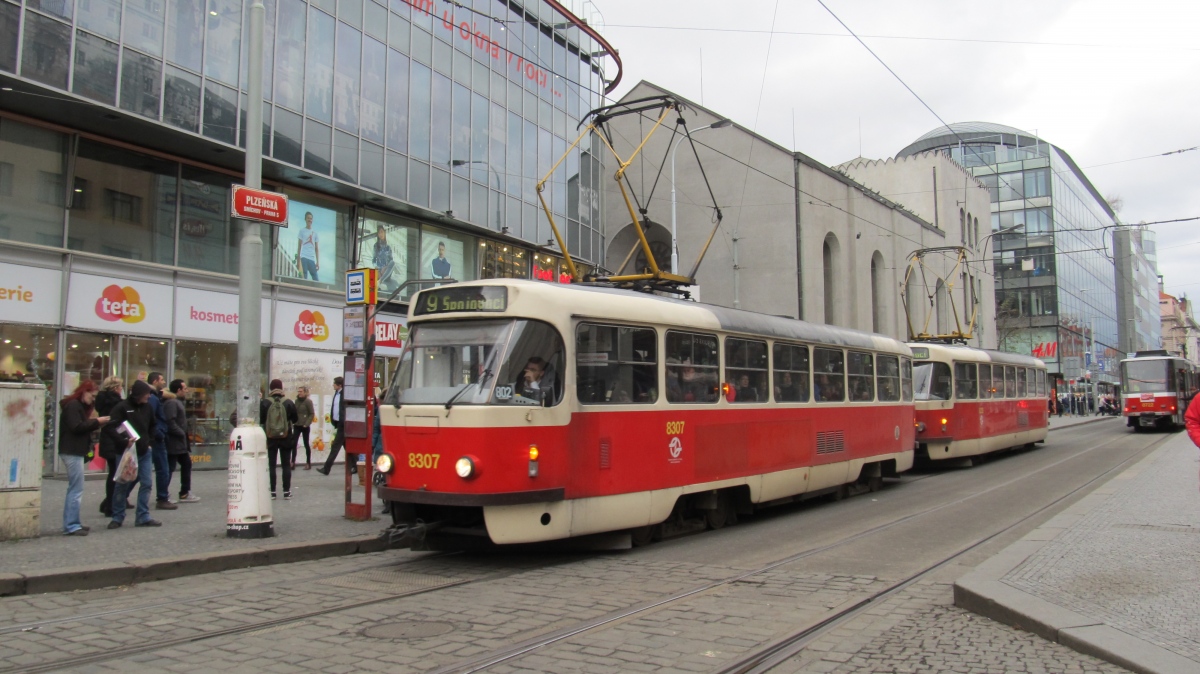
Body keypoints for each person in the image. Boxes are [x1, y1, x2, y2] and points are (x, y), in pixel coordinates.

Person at [105, 380, 162, 529]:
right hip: (126, 452)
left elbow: (153, 425)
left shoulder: (148, 408)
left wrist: (150, 441)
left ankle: (143, 516)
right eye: (146, 394)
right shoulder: (121, 408)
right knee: (122, 483)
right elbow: (111, 427)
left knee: (147, 483)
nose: (148, 397)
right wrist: (124, 441)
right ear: (138, 394)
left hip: (144, 451)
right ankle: (117, 516)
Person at [59, 381, 108, 536]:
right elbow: (77, 427)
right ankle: (71, 525)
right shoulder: (73, 405)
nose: (93, 399)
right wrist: (97, 422)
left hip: (74, 450)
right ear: (83, 392)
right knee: (76, 488)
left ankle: (73, 522)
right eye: (91, 395)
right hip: (71, 451)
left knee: (76, 488)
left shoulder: (76, 405)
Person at [260, 379, 298, 499]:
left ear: (270, 389)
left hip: (271, 437)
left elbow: (261, 419)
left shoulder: (265, 402)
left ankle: (272, 492)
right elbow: (295, 419)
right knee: (286, 464)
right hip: (286, 436)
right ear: (281, 388)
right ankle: (286, 491)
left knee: (271, 464)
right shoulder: (288, 402)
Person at [163, 380, 199, 503]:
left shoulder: (177, 402)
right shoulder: (172, 403)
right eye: (185, 389)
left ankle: (184, 491)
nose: (187, 391)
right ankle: (164, 494)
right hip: (174, 441)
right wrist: (180, 433)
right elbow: (170, 422)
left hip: (179, 441)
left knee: (186, 463)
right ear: (178, 390)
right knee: (170, 466)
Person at [95, 377, 125, 517]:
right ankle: (110, 503)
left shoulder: (102, 401)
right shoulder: (116, 403)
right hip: (114, 439)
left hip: (106, 438)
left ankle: (110, 502)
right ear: (115, 388)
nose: (121, 389)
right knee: (116, 473)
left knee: (113, 472)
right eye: (120, 387)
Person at [146, 372, 176, 511]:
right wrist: (159, 433)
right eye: (162, 380)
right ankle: (162, 498)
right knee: (162, 468)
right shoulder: (152, 398)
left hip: (155, 435)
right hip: (156, 437)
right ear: (155, 381)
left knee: (145, 468)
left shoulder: (155, 397)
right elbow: (151, 417)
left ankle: (122, 496)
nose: (164, 383)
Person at [317, 376, 353, 476]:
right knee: (347, 446)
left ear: (339, 385)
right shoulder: (336, 394)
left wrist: (343, 419)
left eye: (334, 383)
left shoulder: (344, 394)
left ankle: (326, 468)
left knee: (335, 447)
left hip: (343, 424)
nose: (333, 385)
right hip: (338, 423)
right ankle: (356, 464)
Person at [293, 386, 315, 470]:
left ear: (305, 392)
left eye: (301, 391)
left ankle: (308, 462)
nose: (299, 393)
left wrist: (307, 423)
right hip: (297, 425)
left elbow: (311, 413)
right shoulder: (296, 401)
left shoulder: (308, 402)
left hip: (305, 426)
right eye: (298, 391)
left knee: (306, 444)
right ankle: (292, 462)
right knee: (294, 443)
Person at [296, 211, 320, 281]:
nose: (310, 220)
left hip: (311, 258)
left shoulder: (315, 233)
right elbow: (299, 246)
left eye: (311, 218)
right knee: (304, 276)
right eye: (308, 218)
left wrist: (318, 262)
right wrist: (298, 260)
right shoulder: (302, 231)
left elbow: (316, 248)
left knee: (316, 278)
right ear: (305, 219)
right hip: (304, 257)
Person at [372, 226, 395, 291]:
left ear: (384, 233)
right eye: (379, 233)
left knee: (393, 263)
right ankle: (379, 280)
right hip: (379, 271)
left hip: (386, 272)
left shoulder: (388, 247)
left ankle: (380, 281)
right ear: (378, 235)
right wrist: (376, 267)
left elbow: (391, 260)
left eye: (382, 232)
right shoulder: (376, 246)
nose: (381, 234)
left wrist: (385, 267)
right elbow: (373, 260)